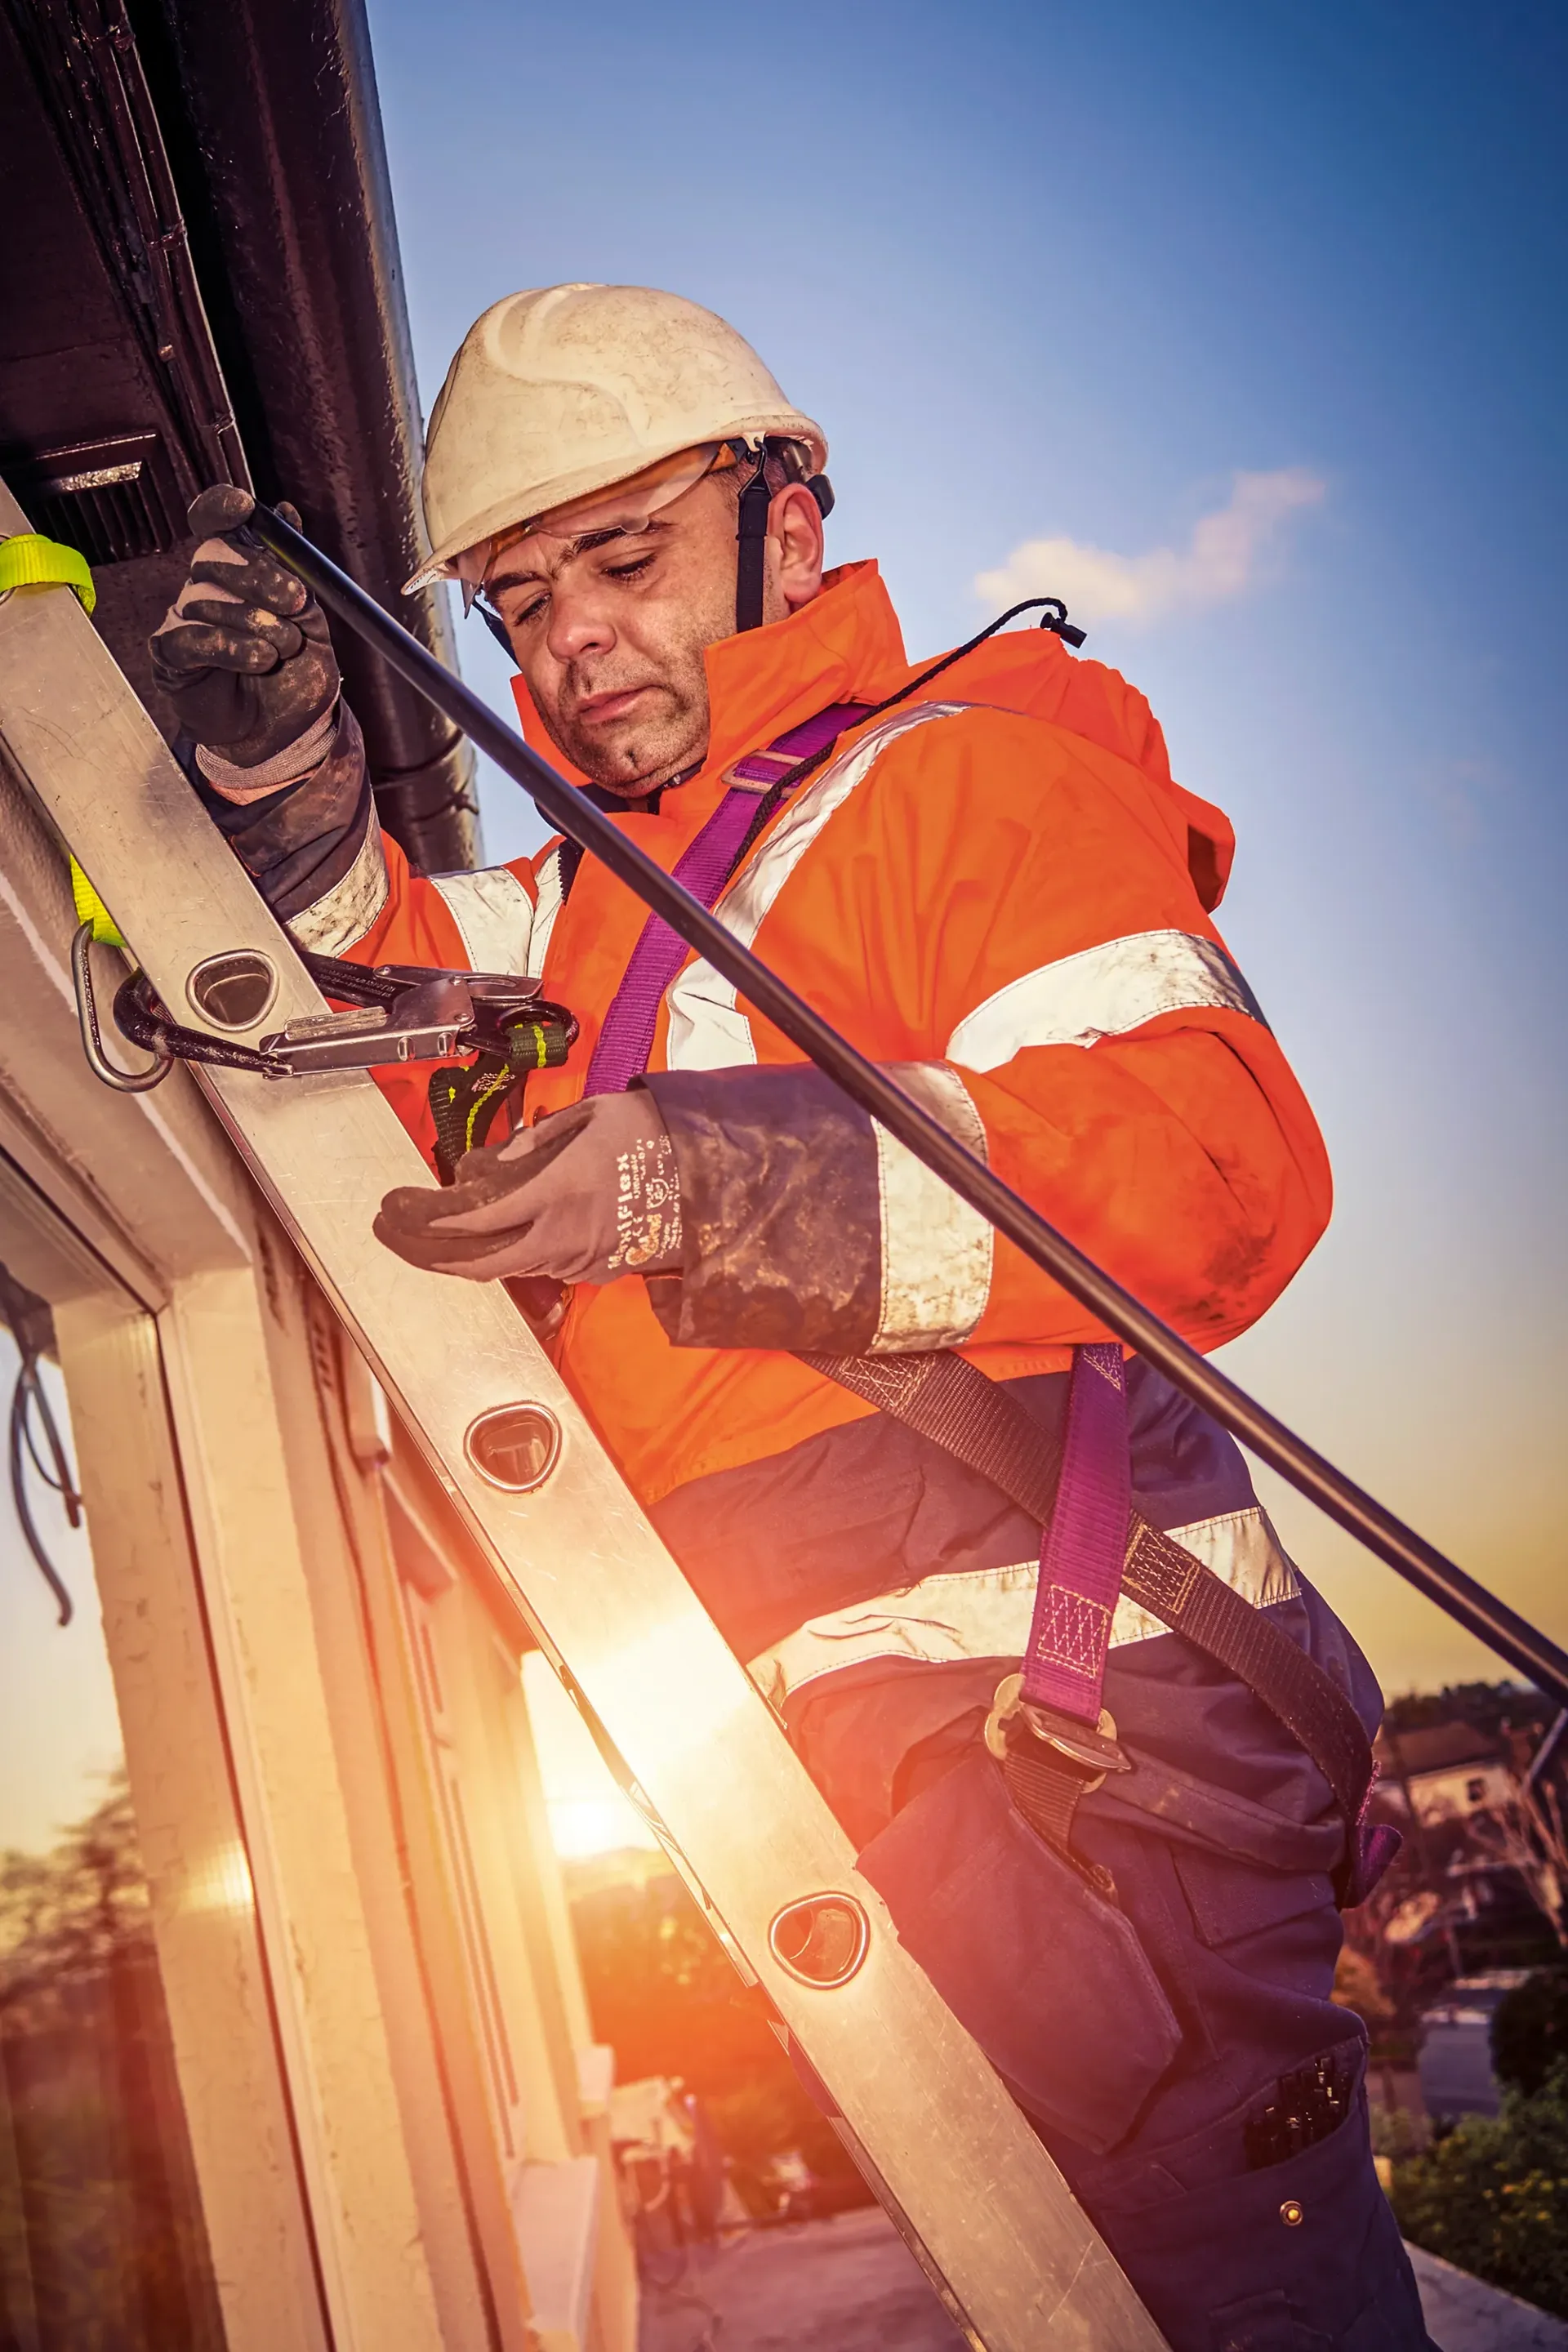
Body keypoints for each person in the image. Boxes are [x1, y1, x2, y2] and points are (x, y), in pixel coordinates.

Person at [152, 283, 1432, 2350]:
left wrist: (703, 1175)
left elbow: (1213, 1176)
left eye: (624, 559)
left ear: (792, 522)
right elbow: (388, 1021)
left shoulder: (966, 786)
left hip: (1085, 1762)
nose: (567, 642)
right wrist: (292, 792)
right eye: (513, 598)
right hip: (886, 1748)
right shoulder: (605, 896)